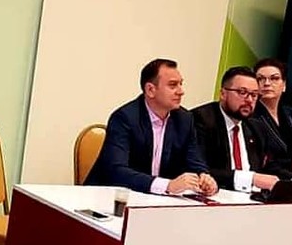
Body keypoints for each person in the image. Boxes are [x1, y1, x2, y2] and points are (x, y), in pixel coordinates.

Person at [85, 58, 218, 196]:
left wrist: (204, 177)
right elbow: (116, 171)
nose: (181, 91)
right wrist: (167, 185)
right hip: (110, 197)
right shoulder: (125, 118)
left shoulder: (184, 119)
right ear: (150, 90)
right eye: (173, 85)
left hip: (156, 199)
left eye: (181, 84)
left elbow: (195, 161)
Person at [192, 66, 292, 192]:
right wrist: (250, 178)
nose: (249, 100)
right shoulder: (200, 120)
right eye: (242, 92)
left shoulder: (256, 127)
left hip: (250, 196)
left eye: (254, 95)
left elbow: (268, 167)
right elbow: (200, 170)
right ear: (223, 94)